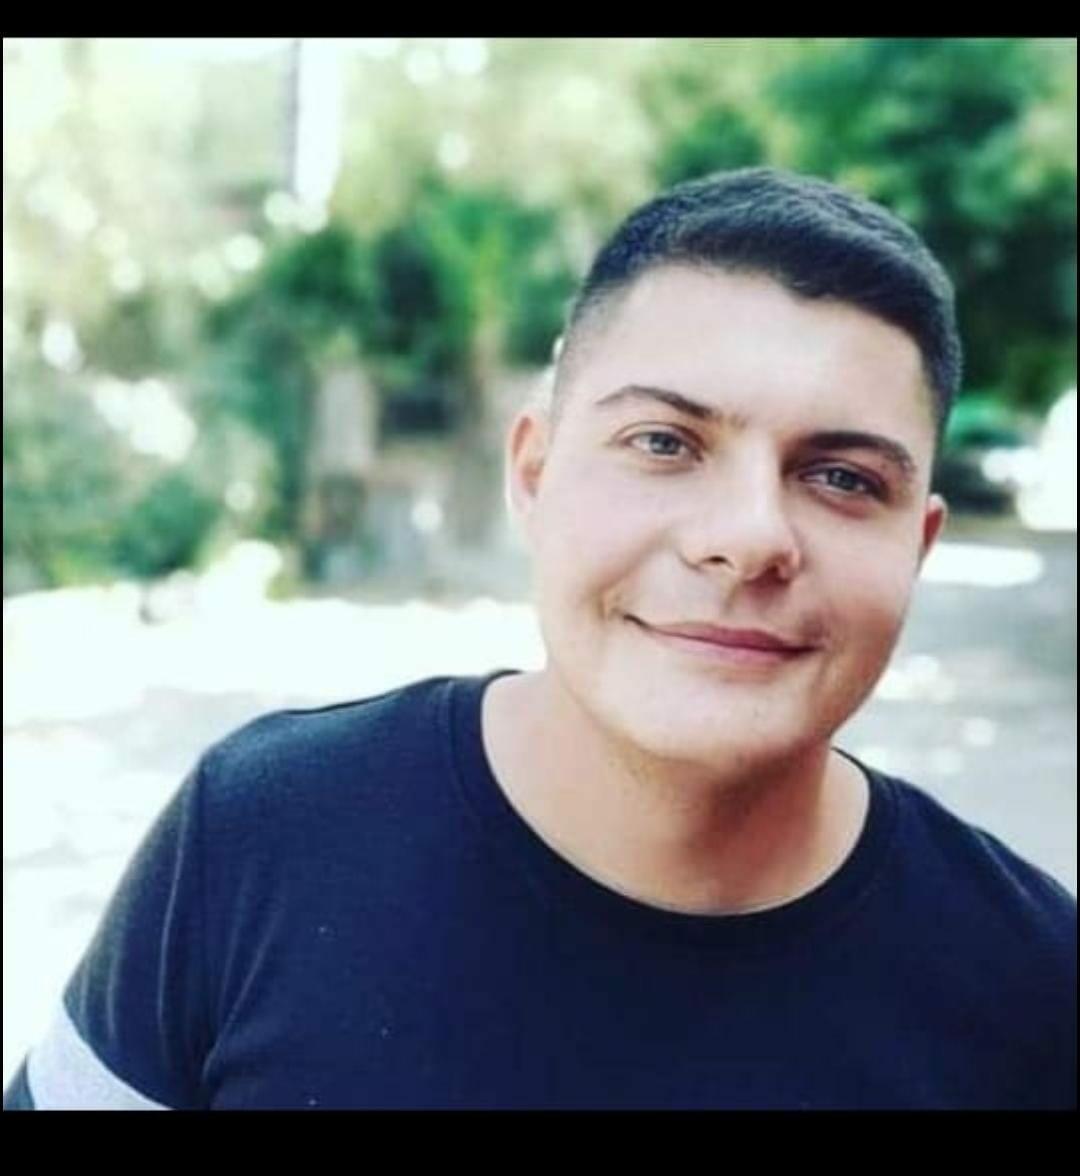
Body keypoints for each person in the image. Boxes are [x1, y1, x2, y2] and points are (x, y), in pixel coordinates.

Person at [5, 167, 1075, 1111]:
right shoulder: (262, 834)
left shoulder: (1031, 986)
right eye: (664, 443)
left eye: (842, 477)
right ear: (534, 474)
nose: (749, 537)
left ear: (917, 544)